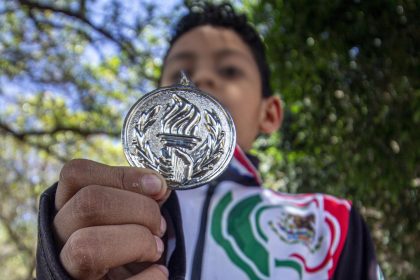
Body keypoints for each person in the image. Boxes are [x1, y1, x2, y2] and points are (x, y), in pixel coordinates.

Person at [36, 3, 383, 280]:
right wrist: (59, 267)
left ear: (271, 113)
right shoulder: (99, 217)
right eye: (178, 73)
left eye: (229, 70)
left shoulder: (330, 225)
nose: (199, 78)